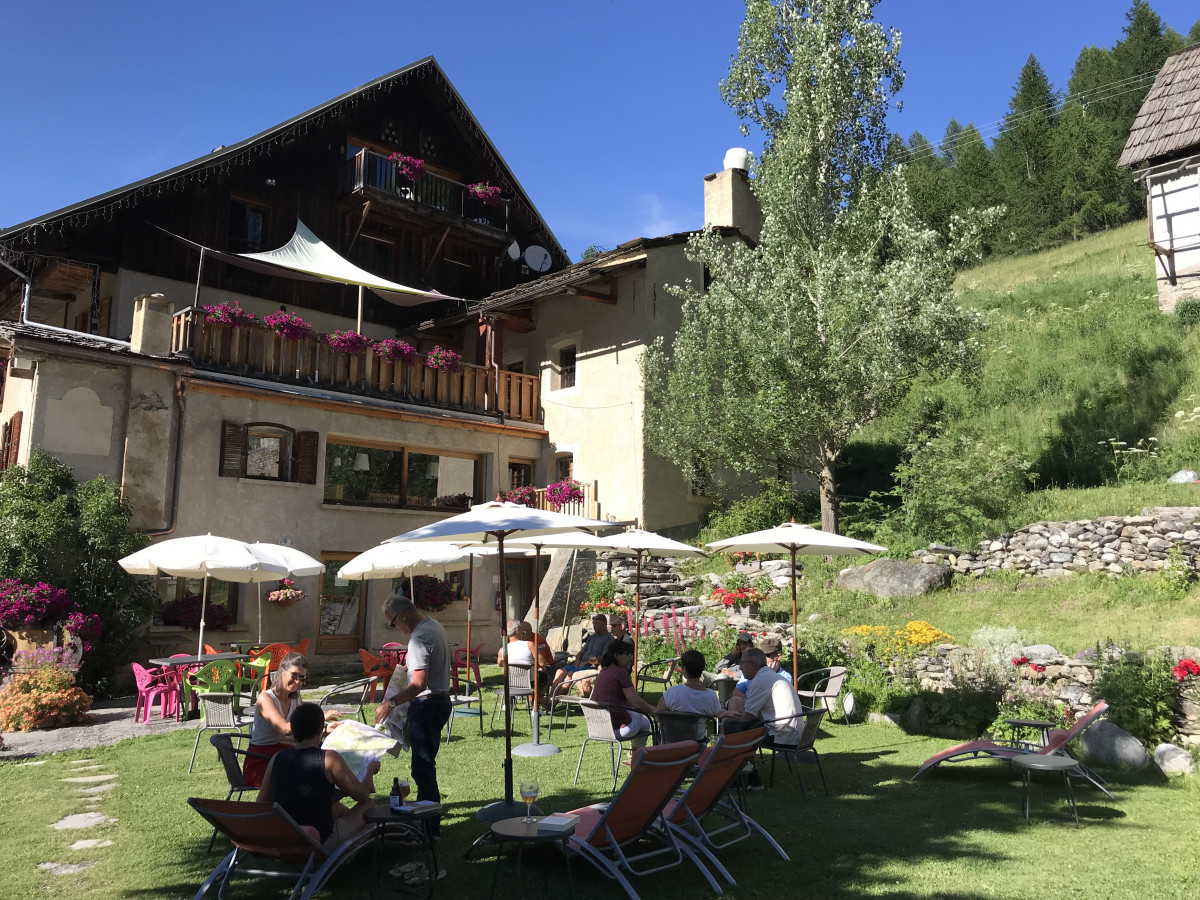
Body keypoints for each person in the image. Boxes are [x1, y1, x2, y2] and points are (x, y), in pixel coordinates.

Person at [374, 593, 451, 836]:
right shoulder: (433, 625)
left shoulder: (419, 638)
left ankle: (430, 830)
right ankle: (428, 823)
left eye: (393, 623)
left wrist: (390, 703)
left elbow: (418, 684)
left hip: (427, 705)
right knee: (424, 765)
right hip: (439, 702)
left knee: (423, 768)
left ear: (402, 615)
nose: (395, 628)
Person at [257, 702, 380, 851]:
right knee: (369, 804)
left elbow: (261, 803)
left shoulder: (276, 759)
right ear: (320, 729)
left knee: (337, 808)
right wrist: (370, 769)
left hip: (287, 838)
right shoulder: (329, 758)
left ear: (293, 730)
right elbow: (362, 795)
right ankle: (373, 840)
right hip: (320, 841)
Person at [244, 652, 341, 787]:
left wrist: (324, 729)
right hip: (264, 762)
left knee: (328, 768)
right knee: (318, 775)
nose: (297, 682)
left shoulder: (295, 698)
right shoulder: (266, 698)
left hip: (289, 757)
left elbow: (302, 728)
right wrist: (318, 717)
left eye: (302, 677)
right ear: (282, 671)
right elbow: (283, 729)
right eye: (294, 675)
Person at [726, 647, 806, 789]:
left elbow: (746, 717)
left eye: (742, 663)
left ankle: (741, 778)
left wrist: (726, 714)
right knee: (743, 729)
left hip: (783, 735)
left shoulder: (760, 680)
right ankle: (751, 777)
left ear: (752, 665)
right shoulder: (773, 676)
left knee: (734, 727)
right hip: (795, 733)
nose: (740, 667)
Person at [590, 643, 655, 741]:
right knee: (645, 722)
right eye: (627, 654)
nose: (631, 658)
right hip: (619, 728)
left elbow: (630, 703)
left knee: (639, 717)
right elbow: (638, 703)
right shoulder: (620, 672)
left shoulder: (604, 671)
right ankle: (637, 754)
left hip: (597, 729)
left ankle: (636, 754)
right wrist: (656, 711)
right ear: (616, 655)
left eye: (631, 655)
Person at [550, 613, 614, 691]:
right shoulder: (592, 637)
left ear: (604, 623)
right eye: (593, 624)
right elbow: (581, 652)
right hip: (581, 664)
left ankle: (554, 701)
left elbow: (602, 658)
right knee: (560, 671)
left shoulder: (608, 639)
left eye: (596, 624)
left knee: (570, 675)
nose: (594, 626)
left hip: (592, 666)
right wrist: (577, 661)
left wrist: (586, 662)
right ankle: (551, 697)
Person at [656, 649, 723, 718]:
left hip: (676, 729)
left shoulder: (673, 692)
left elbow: (657, 715)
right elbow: (718, 713)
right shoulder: (711, 696)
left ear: (684, 669)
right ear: (702, 668)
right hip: (698, 729)